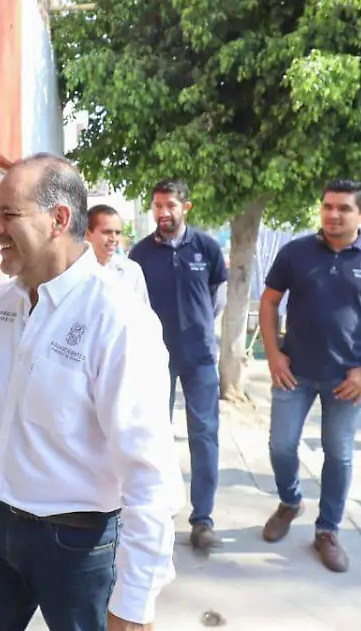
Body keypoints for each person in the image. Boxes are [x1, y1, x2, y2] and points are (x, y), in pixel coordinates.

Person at [0, 153, 183, 631]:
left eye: (9, 214)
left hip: (77, 543)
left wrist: (135, 599)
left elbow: (149, 470)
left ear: (58, 220)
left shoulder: (117, 318)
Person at [259, 179, 361, 572]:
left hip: (347, 379)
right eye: (327, 206)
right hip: (294, 373)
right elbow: (270, 301)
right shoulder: (296, 252)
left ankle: (327, 530)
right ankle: (290, 502)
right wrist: (274, 354)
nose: (333, 214)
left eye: (344, 208)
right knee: (280, 447)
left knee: (338, 454)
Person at [129, 178, 227, 552]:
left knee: (204, 437)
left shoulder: (206, 247)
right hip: (155, 359)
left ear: (186, 207)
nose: (162, 212)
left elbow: (217, 297)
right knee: (154, 436)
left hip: (200, 357)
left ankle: (203, 519)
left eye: (170, 205)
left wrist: (199, 326)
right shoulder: (140, 255)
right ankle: (157, 512)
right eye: (157, 205)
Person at [86, 204, 149, 303]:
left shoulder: (131, 270)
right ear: (87, 234)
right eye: (106, 232)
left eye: (118, 233)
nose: (113, 239)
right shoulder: (75, 272)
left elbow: (144, 314)